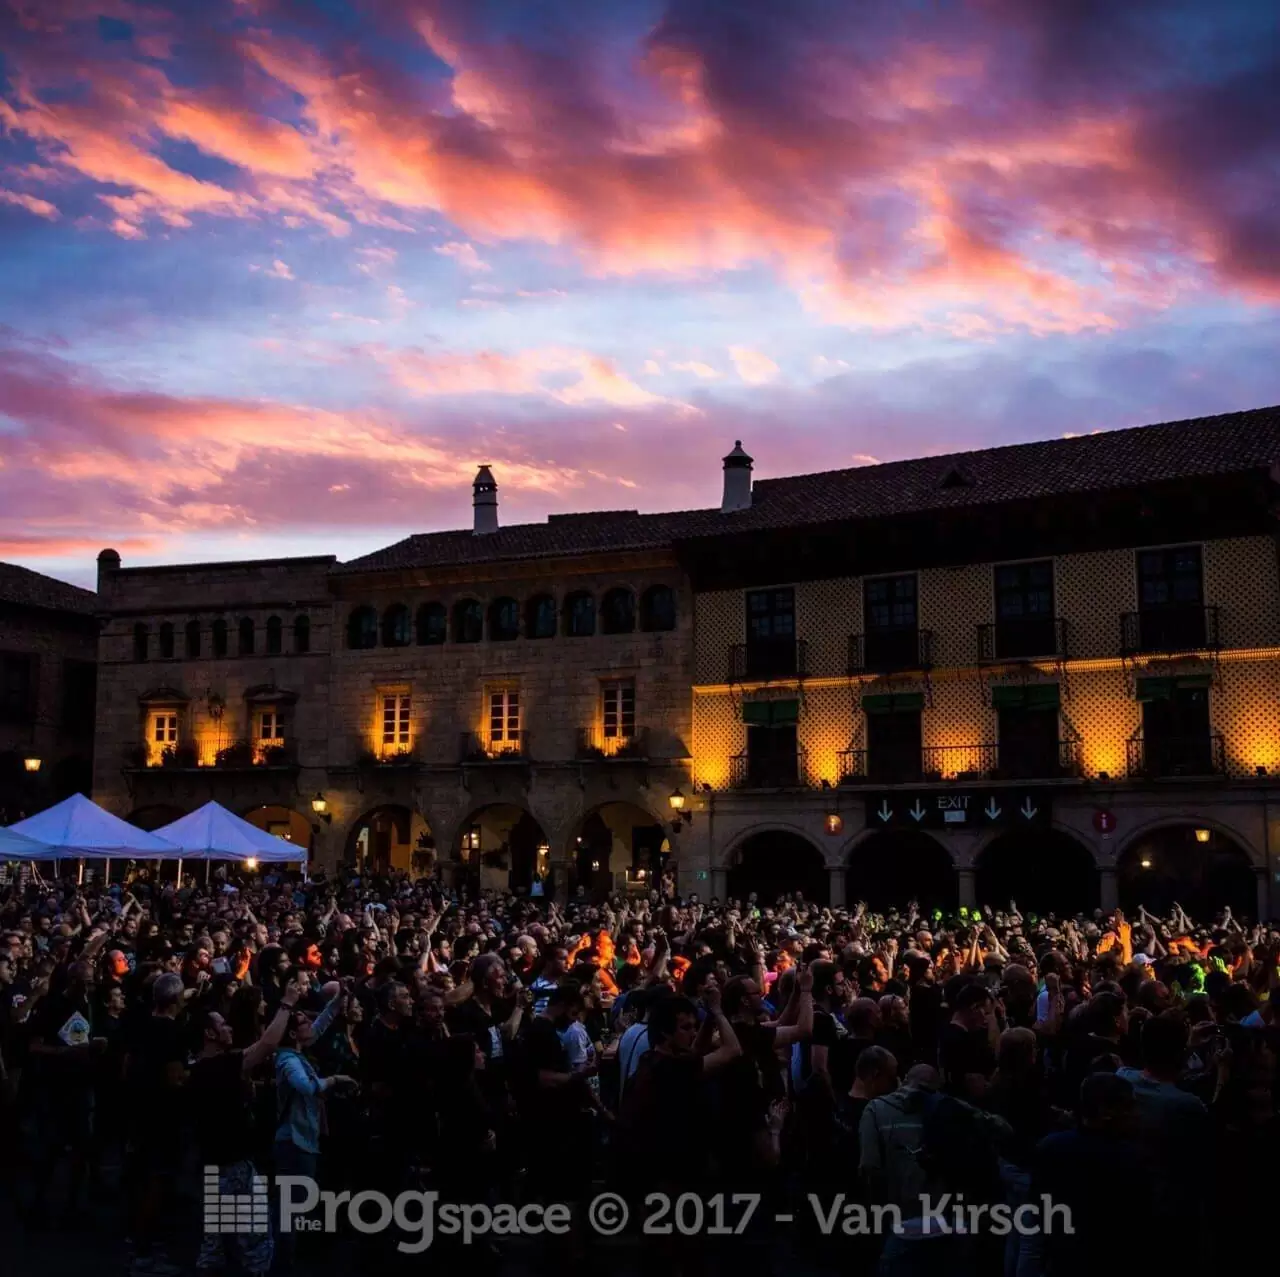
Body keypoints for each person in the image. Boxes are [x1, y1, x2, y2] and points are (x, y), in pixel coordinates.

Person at [190, 974, 304, 1276]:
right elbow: (266, 1044)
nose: (228, 1026)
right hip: (233, 1166)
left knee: (214, 1245)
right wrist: (287, 1004)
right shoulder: (219, 1067)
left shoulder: (196, 1068)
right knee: (254, 1242)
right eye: (221, 1025)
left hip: (211, 1163)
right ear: (209, 1034)